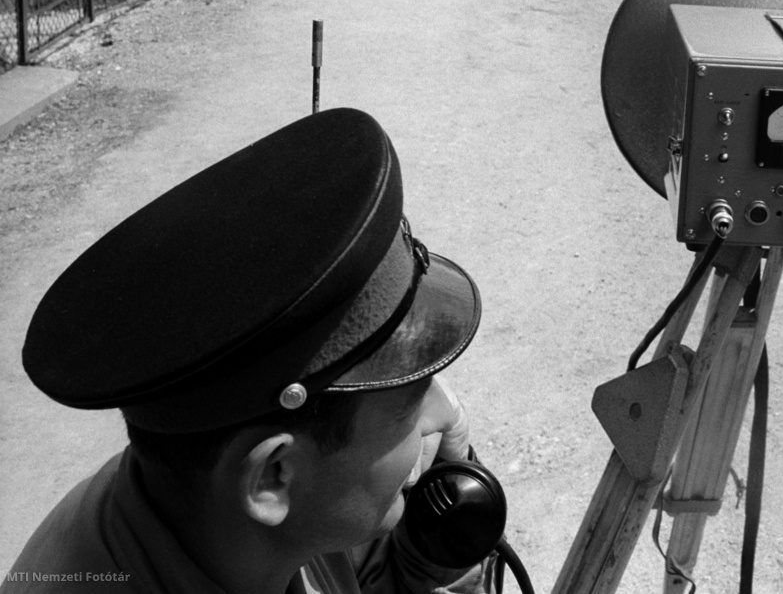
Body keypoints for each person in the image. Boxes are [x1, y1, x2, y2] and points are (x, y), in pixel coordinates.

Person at [2, 108, 493, 594]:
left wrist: (436, 550)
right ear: (273, 477)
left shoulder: (226, 519)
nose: (439, 415)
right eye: (409, 406)